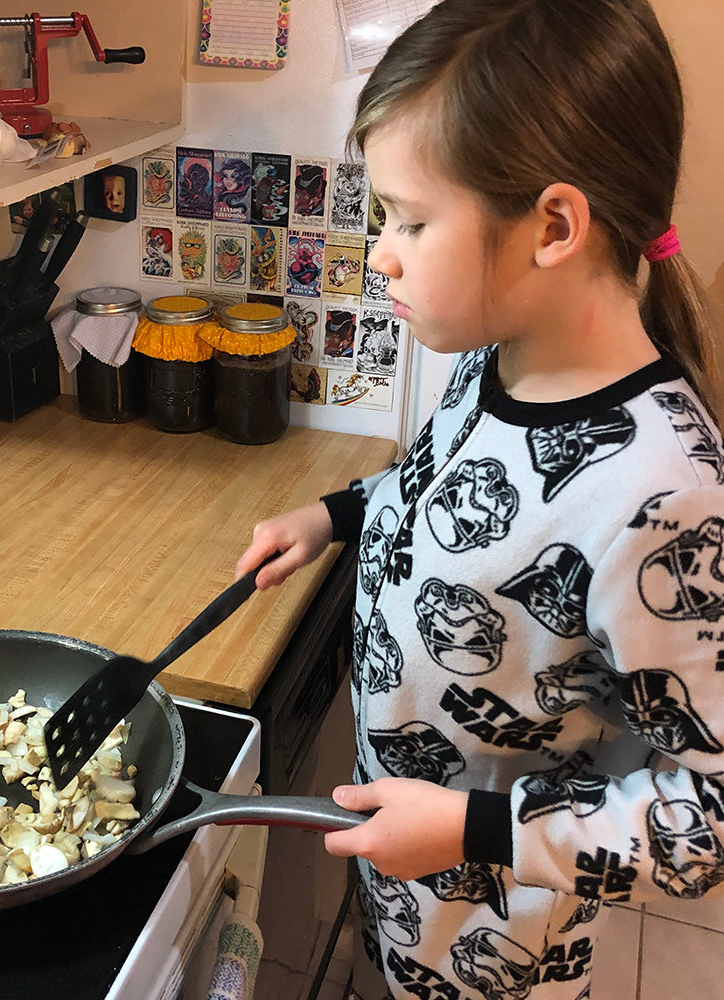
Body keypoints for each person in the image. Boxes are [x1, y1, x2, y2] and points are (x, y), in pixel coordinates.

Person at [235, 1, 724, 997]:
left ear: (551, 225)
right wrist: (329, 516)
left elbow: (707, 815)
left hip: (503, 933)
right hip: (409, 879)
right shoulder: (502, 356)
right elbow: (452, 488)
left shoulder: (661, 493)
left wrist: (469, 828)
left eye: (411, 221)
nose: (382, 254)